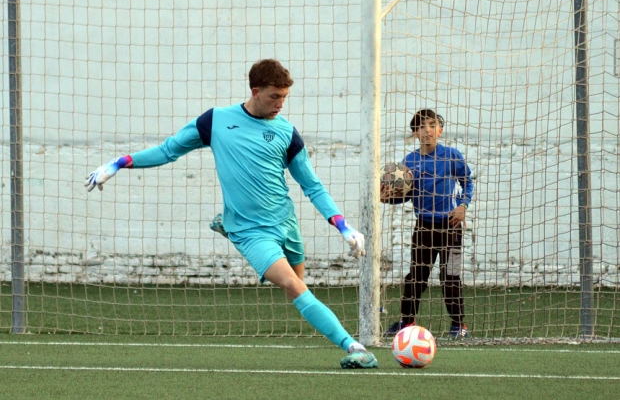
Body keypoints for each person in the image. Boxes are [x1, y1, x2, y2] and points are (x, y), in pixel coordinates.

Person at [84, 59, 378, 368]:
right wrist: (119, 162)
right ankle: (354, 347)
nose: (280, 104)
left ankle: (228, 222)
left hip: (286, 223)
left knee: (297, 289)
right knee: (294, 286)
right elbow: (168, 149)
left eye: (284, 97)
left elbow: (312, 186)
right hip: (251, 231)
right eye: (274, 96)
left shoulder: (287, 133)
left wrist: (343, 226)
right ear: (255, 91)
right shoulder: (217, 121)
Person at [380, 109, 474, 340]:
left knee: (450, 276)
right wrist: (389, 197)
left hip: (451, 228)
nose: (427, 130)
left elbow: (467, 183)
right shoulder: (409, 162)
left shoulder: (452, 156)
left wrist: (463, 205)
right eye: (422, 126)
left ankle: (458, 325)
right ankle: (406, 321)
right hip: (423, 228)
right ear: (415, 133)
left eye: (432, 125)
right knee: (416, 277)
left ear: (440, 130)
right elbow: (405, 195)